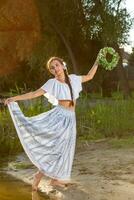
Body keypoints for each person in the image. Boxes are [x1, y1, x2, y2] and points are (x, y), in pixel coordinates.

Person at [4, 56, 99, 191]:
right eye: (52, 68)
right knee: (55, 148)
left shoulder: (74, 79)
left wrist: (97, 61)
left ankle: (54, 180)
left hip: (71, 117)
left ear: (63, 66)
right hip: (59, 117)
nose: (55, 69)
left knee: (65, 148)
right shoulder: (51, 83)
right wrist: (14, 98)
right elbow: (33, 94)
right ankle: (38, 175)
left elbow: (89, 76)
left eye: (56, 65)